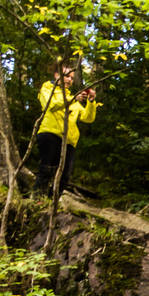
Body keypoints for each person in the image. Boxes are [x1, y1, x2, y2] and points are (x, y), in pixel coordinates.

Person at [36, 63, 100, 197]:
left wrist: (91, 102)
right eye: (66, 76)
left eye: (71, 77)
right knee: (46, 170)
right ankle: (37, 200)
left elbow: (88, 118)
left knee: (64, 177)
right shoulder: (47, 88)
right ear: (56, 75)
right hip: (50, 134)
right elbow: (50, 105)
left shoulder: (74, 99)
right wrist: (72, 99)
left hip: (69, 141)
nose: (69, 80)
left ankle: (52, 202)